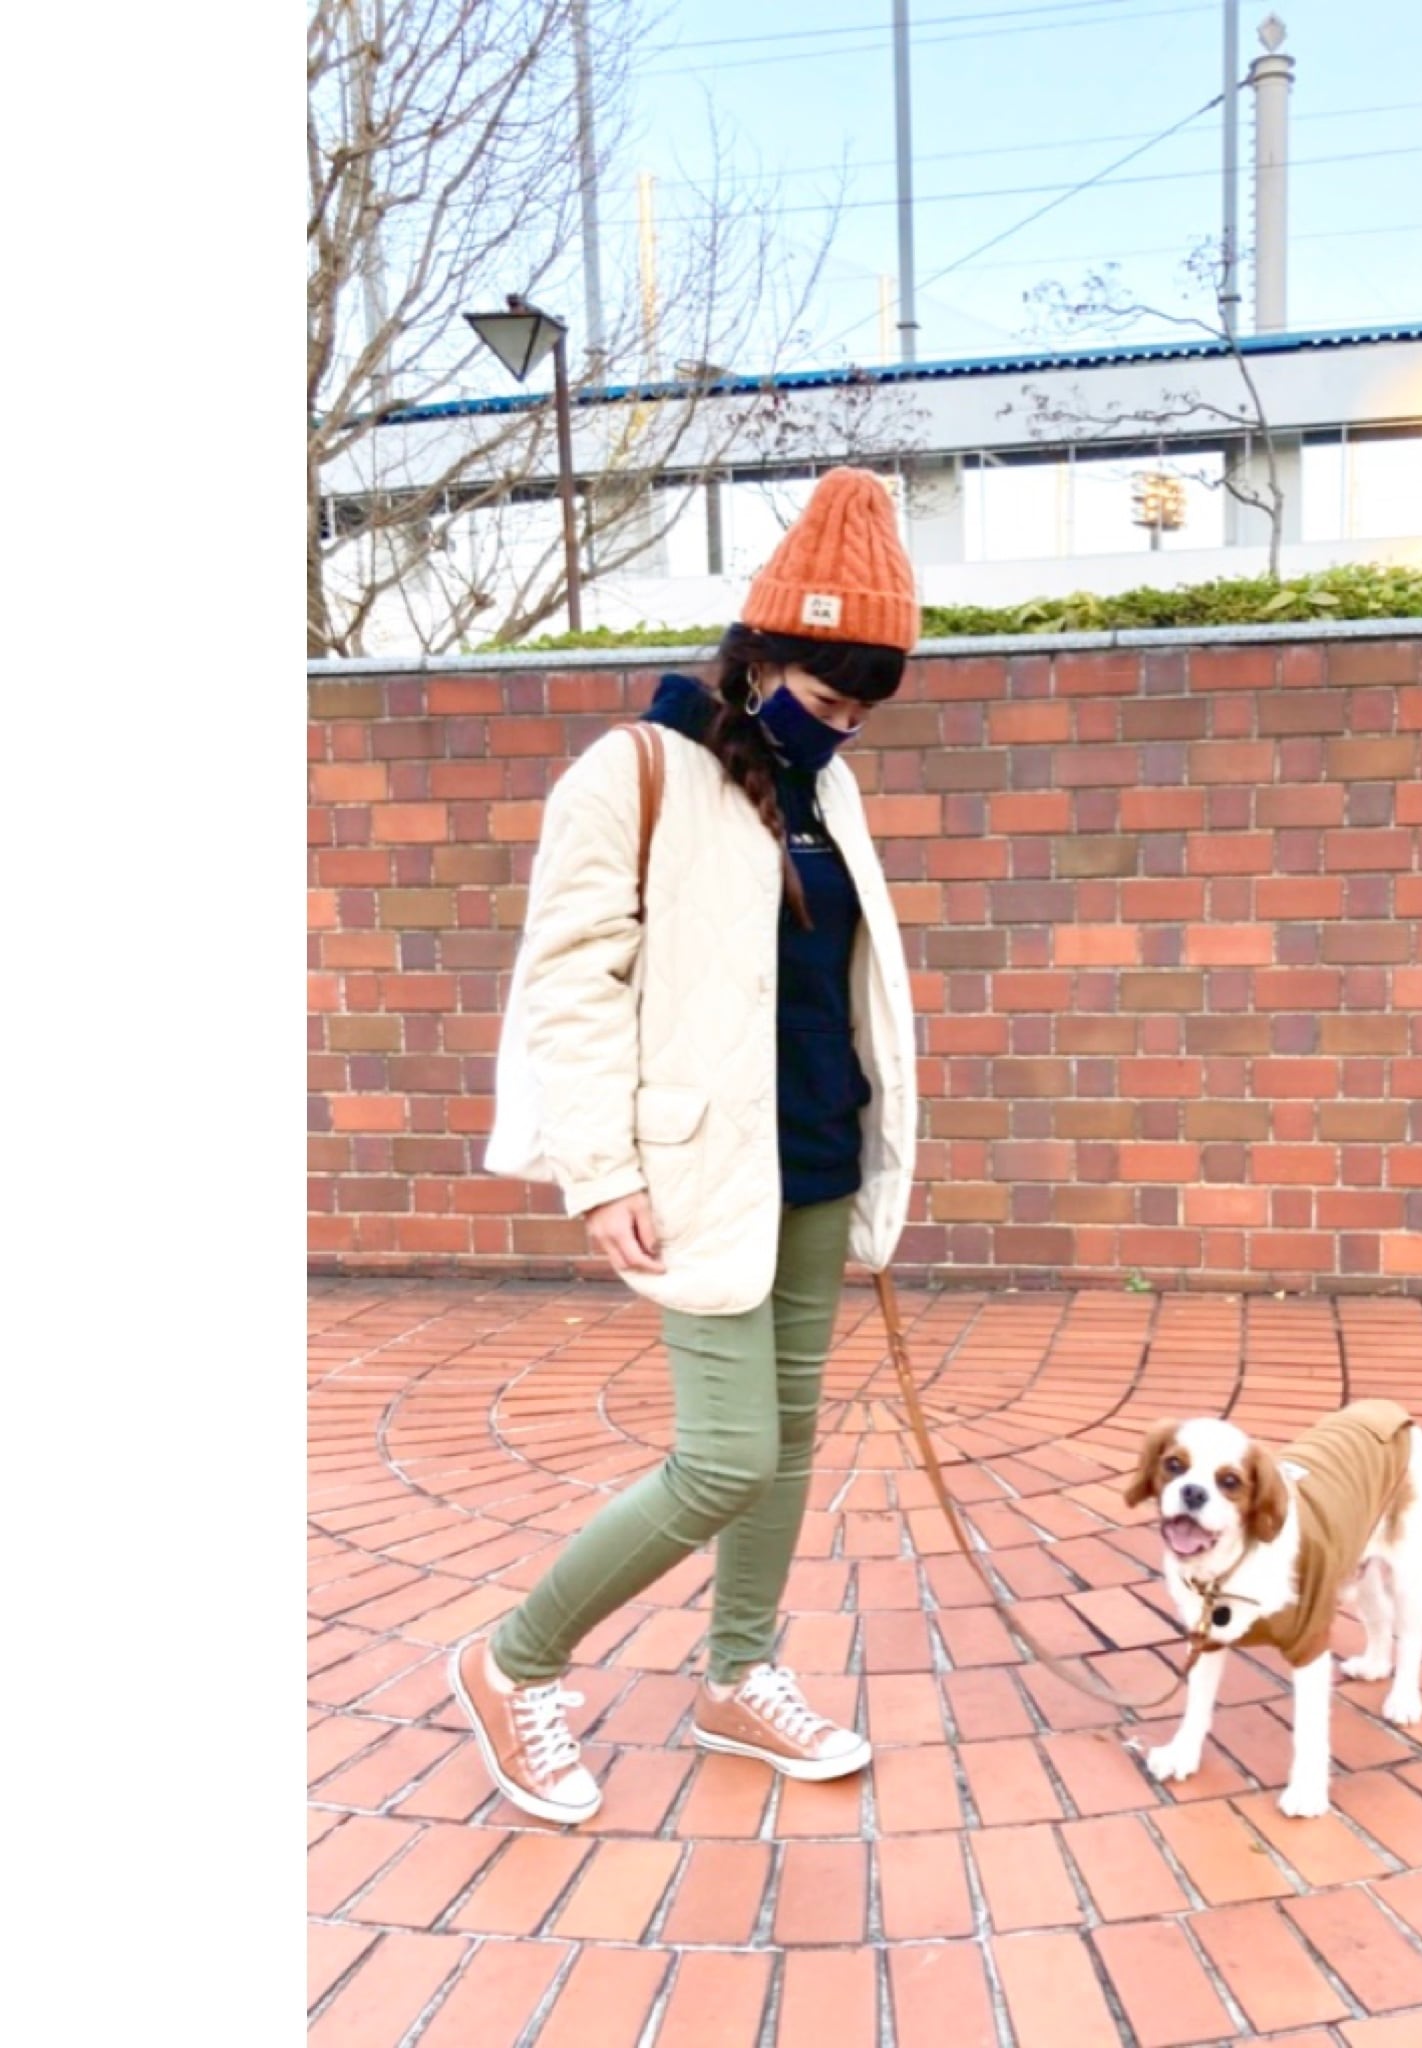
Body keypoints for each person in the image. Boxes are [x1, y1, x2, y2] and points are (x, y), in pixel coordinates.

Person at [450, 468, 921, 1825]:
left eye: (862, 714)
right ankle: (511, 1661)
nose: (841, 729)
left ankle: (738, 1675)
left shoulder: (827, 792)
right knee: (723, 1456)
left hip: (817, 1154)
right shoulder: (634, 771)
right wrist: (600, 1172)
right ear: (760, 655)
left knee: (787, 1437)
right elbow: (571, 985)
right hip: (699, 1168)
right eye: (825, 700)